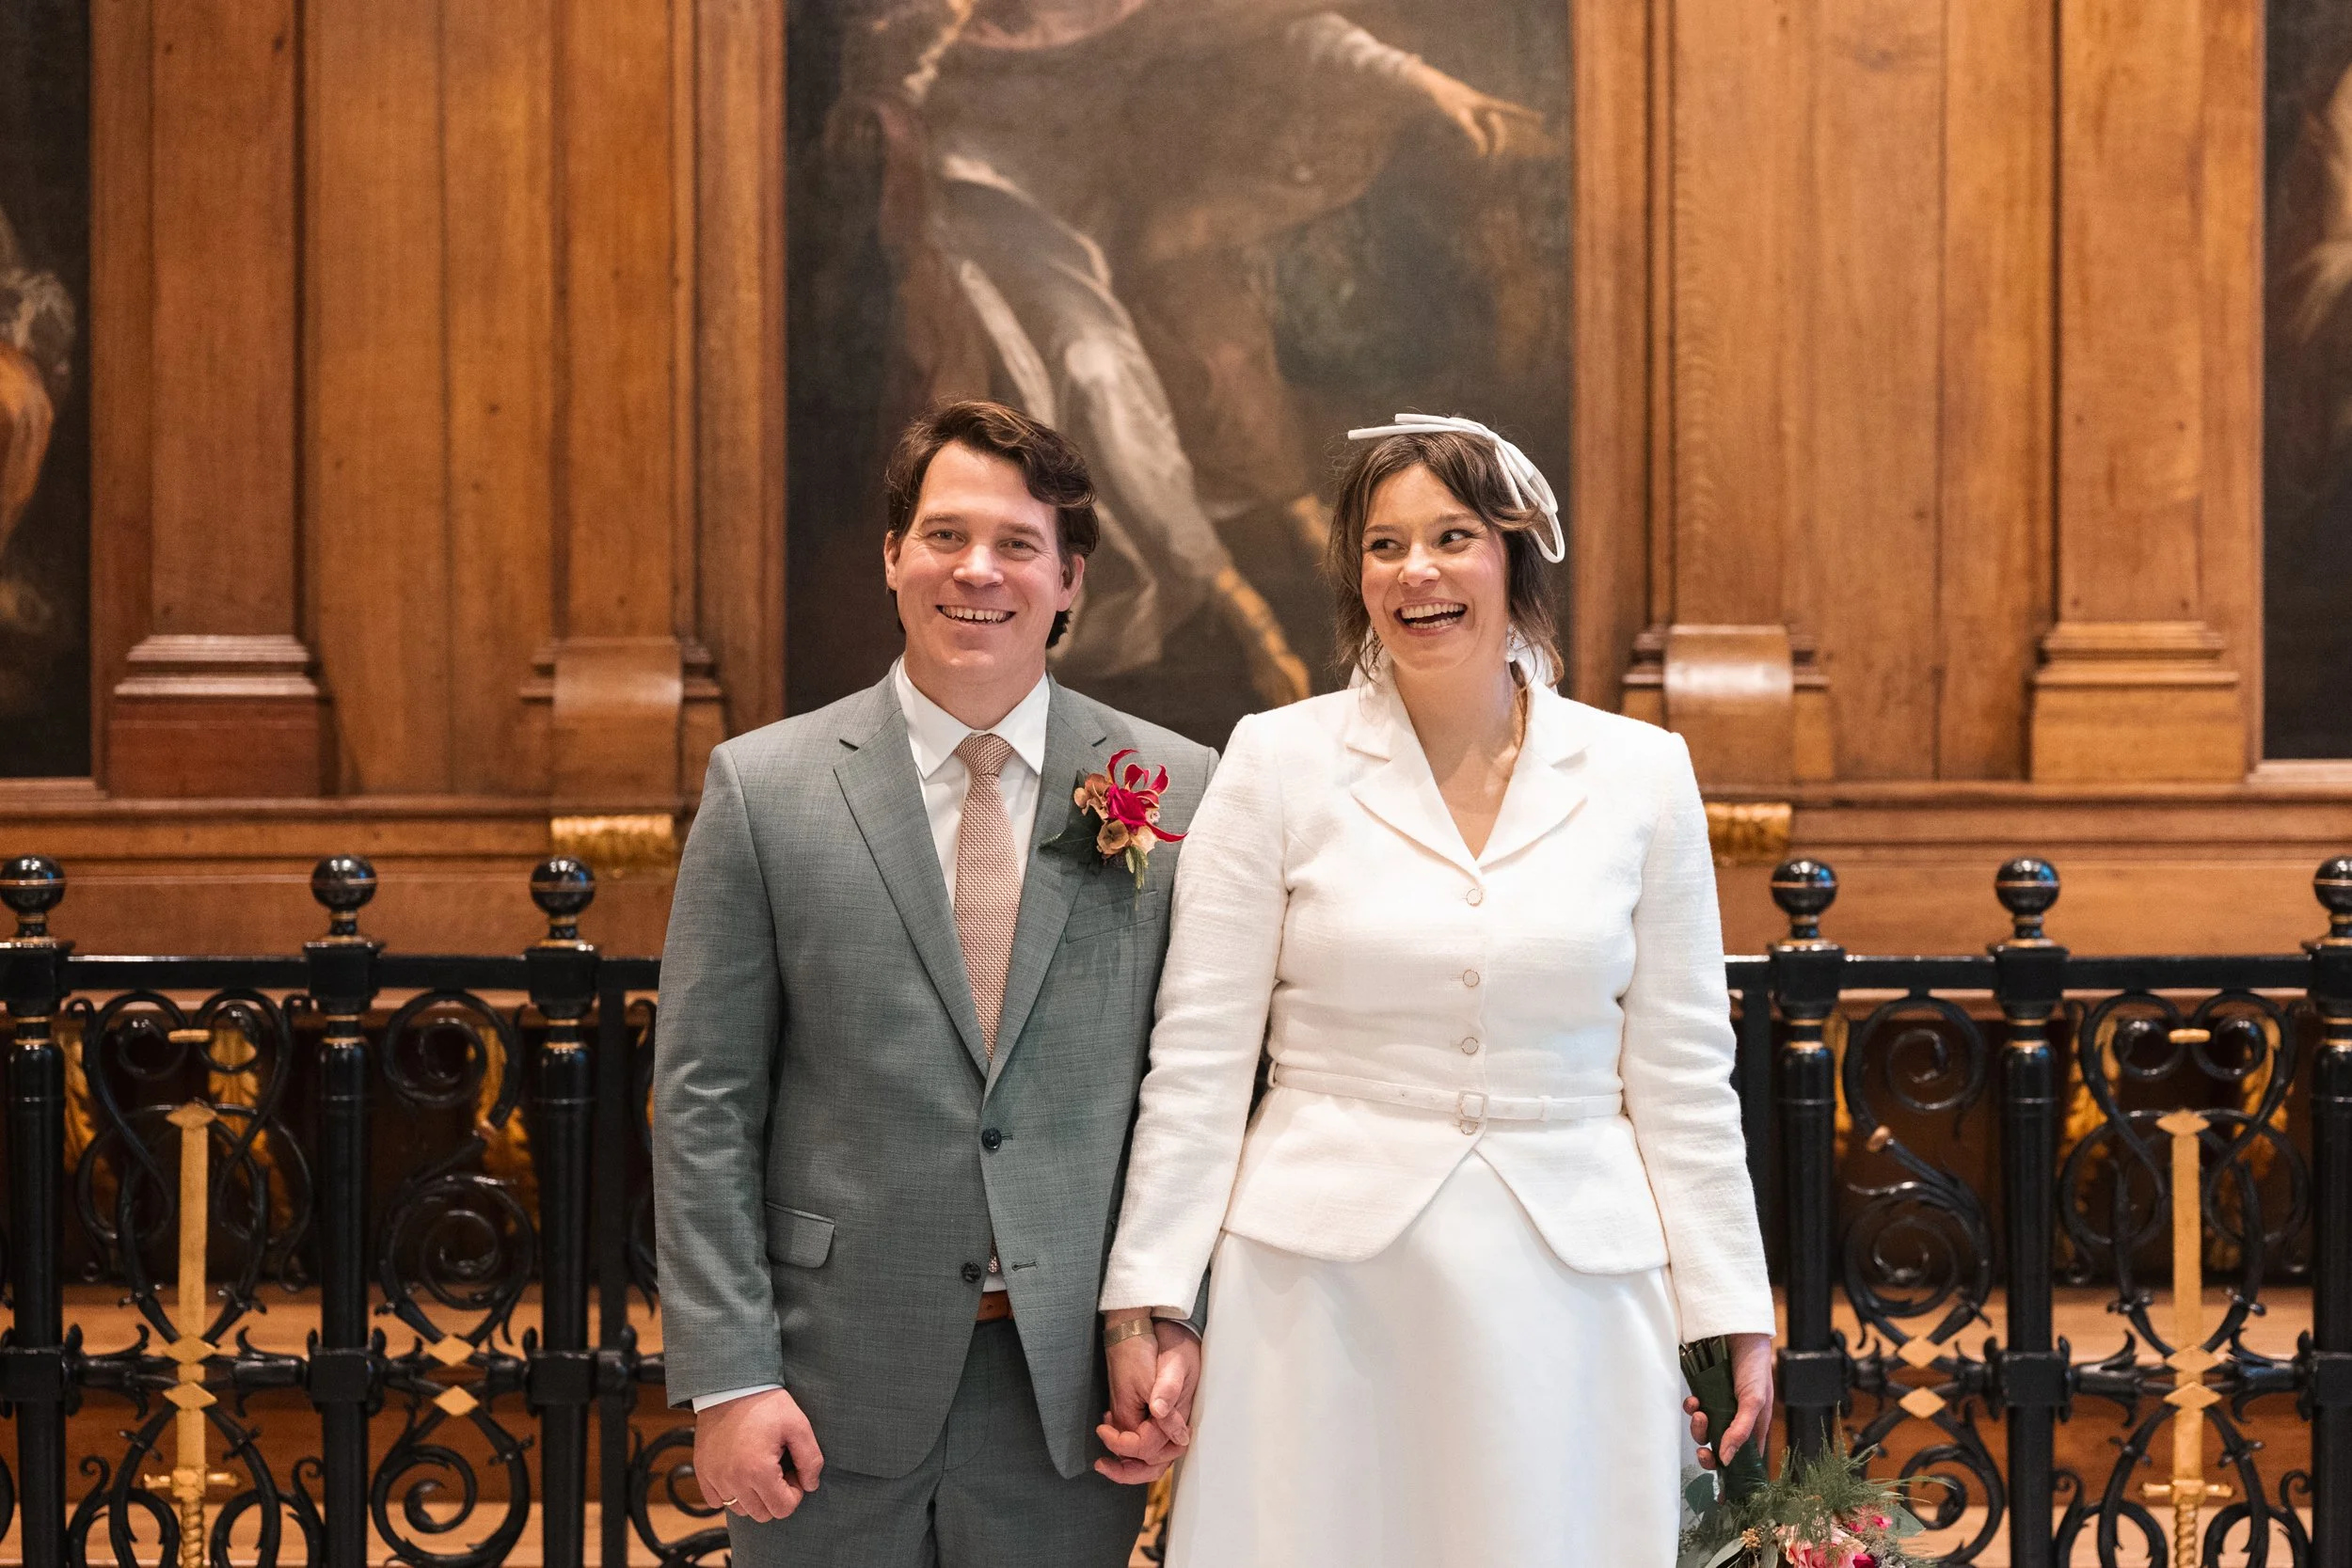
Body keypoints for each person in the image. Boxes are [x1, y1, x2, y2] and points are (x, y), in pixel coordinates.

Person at [1097, 416, 1776, 1565]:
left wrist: (1730, 1308)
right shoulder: (1275, 759)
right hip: (1319, 1292)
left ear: (1514, 553)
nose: (1416, 570)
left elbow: (1682, 1074)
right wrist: (1148, 1299)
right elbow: (1199, 1057)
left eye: (1452, 536)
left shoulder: (1642, 772)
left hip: (1575, 1287)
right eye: (1384, 544)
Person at [653, 399, 1213, 1566]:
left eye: (1017, 543)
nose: (978, 570)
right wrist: (729, 1375)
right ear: (892, 554)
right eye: (945, 534)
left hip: (1071, 1391)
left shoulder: (1177, 787)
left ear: (1069, 578)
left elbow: (1207, 1086)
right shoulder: (765, 789)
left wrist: (1177, 1320)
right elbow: (703, 1105)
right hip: (822, 1379)